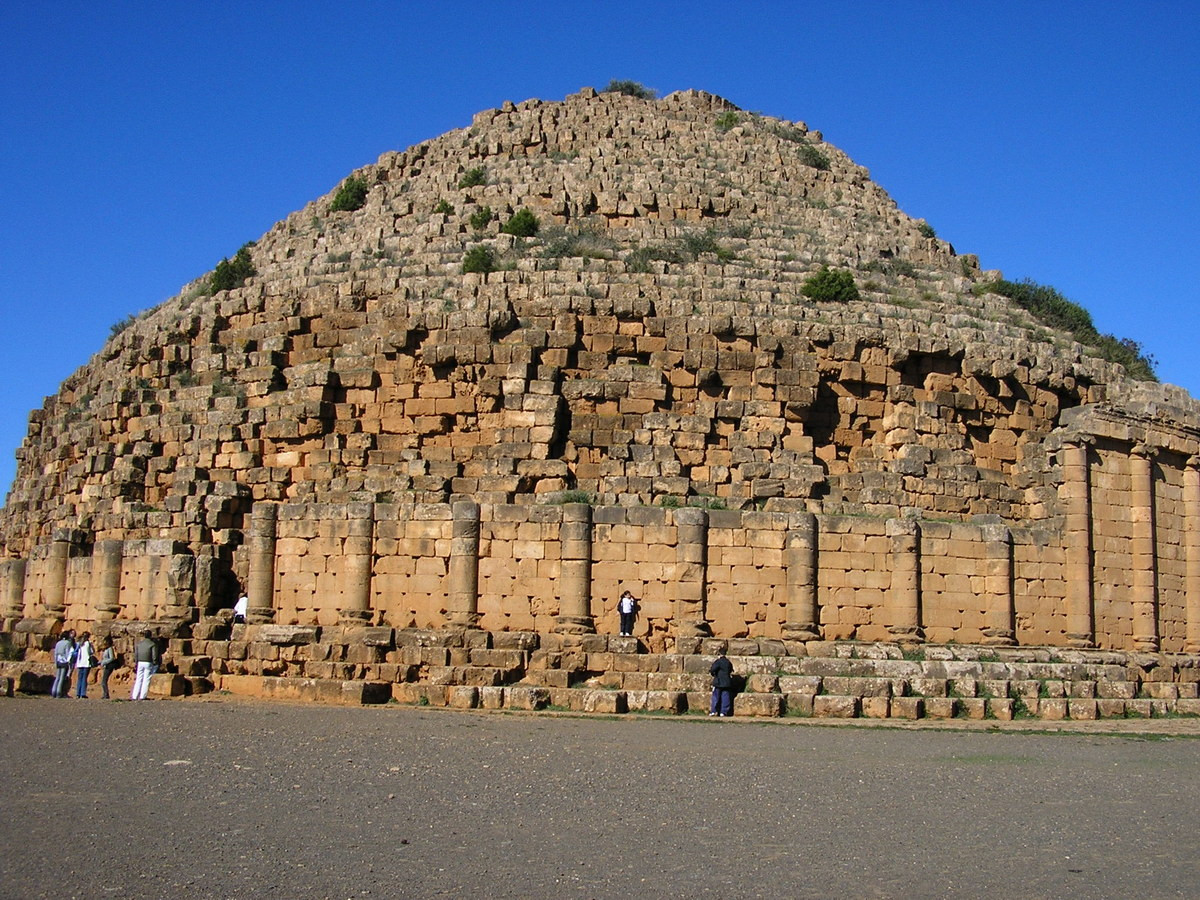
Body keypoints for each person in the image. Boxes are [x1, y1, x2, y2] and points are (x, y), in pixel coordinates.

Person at [130, 634, 161, 701]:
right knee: (146, 679)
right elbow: (154, 655)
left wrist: (136, 662)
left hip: (140, 662)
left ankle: (134, 696)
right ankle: (142, 696)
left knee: (138, 679)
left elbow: (136, 654)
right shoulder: (152, 644)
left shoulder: (139, 644)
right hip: (148, 662)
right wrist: (155, 662)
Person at [709, 647, 734, 717]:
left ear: (719, 654)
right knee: (726, 697)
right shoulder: (728, 662)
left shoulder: (718, 662)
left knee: (715, 697)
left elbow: (713, 669)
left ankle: (714, 711)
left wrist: (713, 674)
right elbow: (730, 670)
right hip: (727, 682)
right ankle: (724, 712)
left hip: (718, 682)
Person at [51, 630, 76, 698]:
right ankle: (58, 692)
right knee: (62, 678)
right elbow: (68, 653)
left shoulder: (58, 643)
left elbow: (55, 653)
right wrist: (69, 662)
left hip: (58, 661)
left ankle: (53, 691)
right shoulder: (67, 643)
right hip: (64, 662)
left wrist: (56, 662)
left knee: (57, 677)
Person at [74, 631, 95, 698]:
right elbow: (92, 652)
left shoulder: (79, 644)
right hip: (86, 663)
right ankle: (83, 693)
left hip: (80, 663)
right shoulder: (87, 643)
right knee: (84, 679)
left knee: (79, 678)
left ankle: (78, 693)